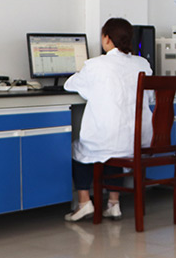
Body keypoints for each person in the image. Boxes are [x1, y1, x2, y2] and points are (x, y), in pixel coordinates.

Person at [63, 17, 153, 222]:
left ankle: (84, 203)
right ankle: (113, 203)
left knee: (79, 148)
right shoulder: (143, 64)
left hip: (112, 141)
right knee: (115, 145)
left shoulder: (96, 65)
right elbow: (151, 97)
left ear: (106, 39)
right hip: (140, 141)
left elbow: (71, 85)